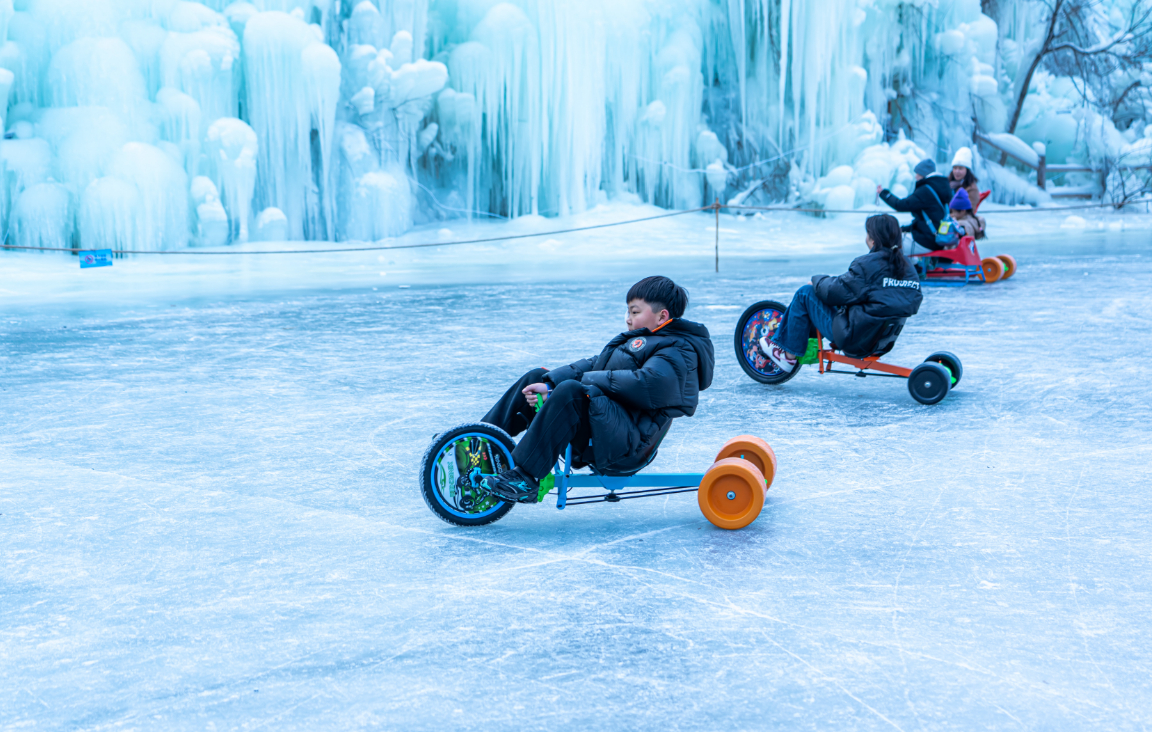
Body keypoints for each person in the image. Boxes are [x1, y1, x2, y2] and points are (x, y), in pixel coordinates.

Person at [478, 276, 715, 503]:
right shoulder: (646, 339)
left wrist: (576, 385)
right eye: (628, 312)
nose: (628, 319)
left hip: (626, 447)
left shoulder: (678, 349)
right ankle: (479, 443)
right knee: (536, 378)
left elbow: (646, 383)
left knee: (571, 392)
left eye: (635, 312)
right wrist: (550, 383)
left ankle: (526, 479)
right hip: (606, 428)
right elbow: (597, 363)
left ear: (662, 316)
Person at [759, 214, 924, 372]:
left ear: (873, 239)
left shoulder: (867, 264)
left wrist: (816, 281)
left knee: (806, 293)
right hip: (881, 340)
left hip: (855, 338)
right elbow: (907, 300)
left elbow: (833, 291)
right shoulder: (907, 266)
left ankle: (788, 356)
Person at [876, 158, 953, 251]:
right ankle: (912, 264)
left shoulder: (925, 191)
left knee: (889, 244)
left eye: (918, 173)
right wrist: (904, 228)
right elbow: (930, 217)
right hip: (937, 237)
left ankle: (901, 265)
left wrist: (883, 193)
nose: (916, 177)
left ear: (924, 174)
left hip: (927, 240)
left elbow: (901, 205)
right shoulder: (939, 187)